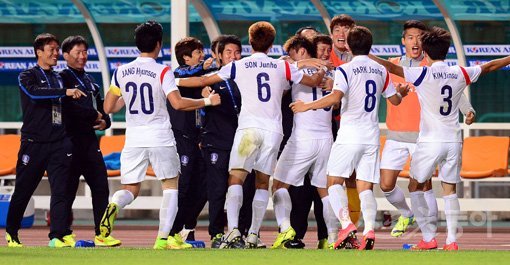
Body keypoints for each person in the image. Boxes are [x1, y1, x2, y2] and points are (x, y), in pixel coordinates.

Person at [176, 21, 325, 249]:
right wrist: (322, 68)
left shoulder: (239, 66)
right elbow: (314, 81)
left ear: (250, 41)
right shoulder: (282, 67)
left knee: (236, 178)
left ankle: (234, 230)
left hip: (248, 130)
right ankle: (254, 234)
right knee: (262, 183)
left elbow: (204, 80)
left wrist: (171, 82)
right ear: (272, 44)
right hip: (273, 132)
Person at [371, 26, 510, 251]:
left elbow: (389, 66)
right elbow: (491, 65)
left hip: (429, 141)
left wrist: (365, 54)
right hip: (453, 140)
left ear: (425, 51)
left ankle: (428, 237)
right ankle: (452, 242)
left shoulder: (423, 73)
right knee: (449, 190)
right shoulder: (460, 72)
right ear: (448, 50)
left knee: (416, 185)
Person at [99, 20, 220, 250]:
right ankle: (163, 239)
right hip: (160, 136)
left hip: (134, 138)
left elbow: (109, 107)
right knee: (171, 185)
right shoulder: (162, 70)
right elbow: (178, 103)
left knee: (130, 189)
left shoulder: (121, 71)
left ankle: (114, 205)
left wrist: (127, 96)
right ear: (158, 44)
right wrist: (207, 101)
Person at [291, 26, 409, 250]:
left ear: (348, 46)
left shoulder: (345, 70)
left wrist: (306, 106)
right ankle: (370, 229)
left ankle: (346, 225)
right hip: (371, 136)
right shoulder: (381, 70)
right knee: (365, 187)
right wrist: (401, 93)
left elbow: (335, 98)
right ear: (370, 45)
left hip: (349, 134)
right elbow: (395, 101)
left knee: (333, 181)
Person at [379, 21, 476, 238]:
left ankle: (428, 235)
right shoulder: (392, 65)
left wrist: (467, 110)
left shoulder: (432, 67)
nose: (415, 41)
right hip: (395, 136)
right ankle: (407, 213)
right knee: (386, 184)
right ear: (403, 41)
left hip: (422, 138)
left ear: (425, 41)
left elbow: (454, 91)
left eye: (420, 37)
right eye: (411, 37)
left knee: (423, 187)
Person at [5, 33, 86, 248]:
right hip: (34, 143)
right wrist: (65, 92)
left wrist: (95, 118)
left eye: (57, 49)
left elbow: (67, 105)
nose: (56, 53)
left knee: (61, 190)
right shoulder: (27, 76)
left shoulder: (59, 77)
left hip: (59, 143)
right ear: (39, 52)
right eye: (51, 49)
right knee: (24, 190)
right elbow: (35, 94)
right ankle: (12, 232)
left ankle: (57, 236)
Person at [271, 35, 338, 249]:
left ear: (300, 51)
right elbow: (337, 105)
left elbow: (280, 67)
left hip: (303, 138)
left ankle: (285, 230)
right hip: (326, 138)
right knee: (324, 190)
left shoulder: (295, 70)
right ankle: (332, 238)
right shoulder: (333, 73)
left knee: (279, 184)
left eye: (292, 53)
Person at [59, 35, 120, 247]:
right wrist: (94, 116)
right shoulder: (62, 78)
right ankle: (62, 234)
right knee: (67, 190)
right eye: (78, 52)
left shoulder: (90, 80)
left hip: (90, 142)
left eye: (85, 52)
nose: (83, 56)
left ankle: (102, 234)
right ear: (66, 55)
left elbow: (103, 106)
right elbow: (68, 108)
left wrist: (106, 121)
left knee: (101, 187)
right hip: (69, 141)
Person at [167, 36, 216, 247]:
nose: (202, 56)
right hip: (181, 139)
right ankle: (170, 232)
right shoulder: (177, 76)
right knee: (184, 185)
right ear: (186, 58)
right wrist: (203, 71)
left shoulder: (200, 77)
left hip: (197, 140)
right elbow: (185, 76)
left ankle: (185, 227)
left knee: (204, 186)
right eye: (197, 53)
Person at [328, 14, 361, 226]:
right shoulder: (322, 55)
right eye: (338, 30)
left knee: (353, 176)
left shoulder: (362, 57)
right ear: (331, 35)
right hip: (327, 123)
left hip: (352, 124)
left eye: (347, 29)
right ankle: (332, 227)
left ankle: (352, 223)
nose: (342, 34)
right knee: (329, 176)